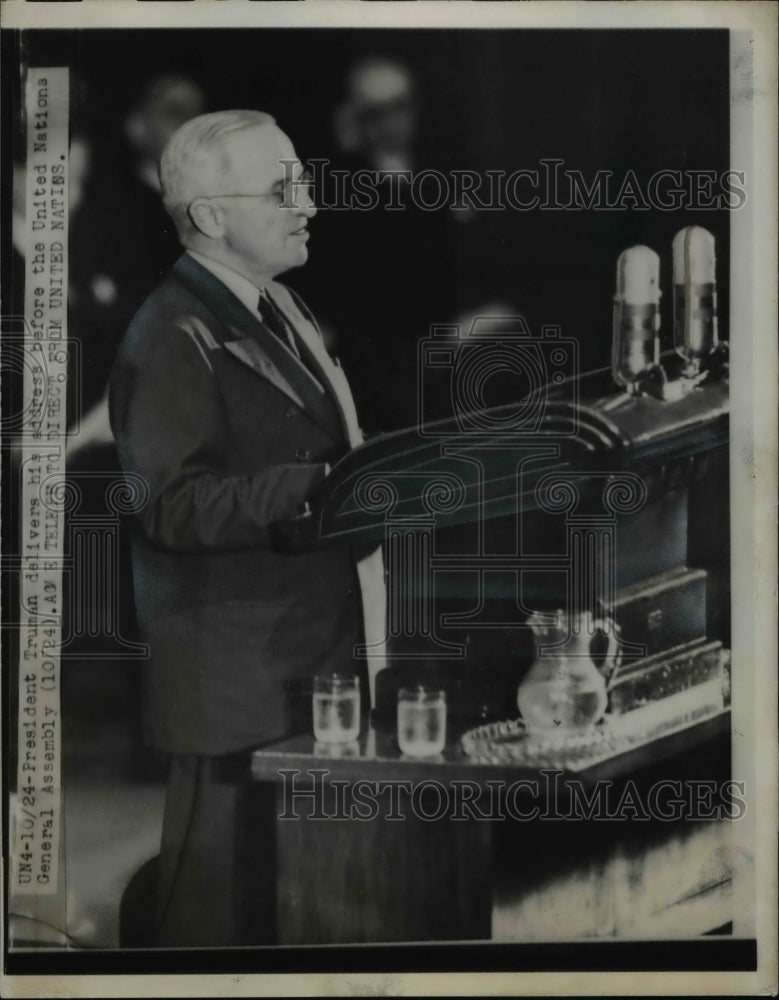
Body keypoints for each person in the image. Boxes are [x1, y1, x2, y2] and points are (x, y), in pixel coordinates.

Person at [109, 110, 386, 946]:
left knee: (294, 911)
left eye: (303, 182)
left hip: (304, 669)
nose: (308, 203)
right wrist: (319, 487)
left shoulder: (280, 303)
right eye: (282, 188)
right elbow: (169, 505)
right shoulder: (170, 334)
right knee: (215, 927)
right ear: (209, 216)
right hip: (236, 695)